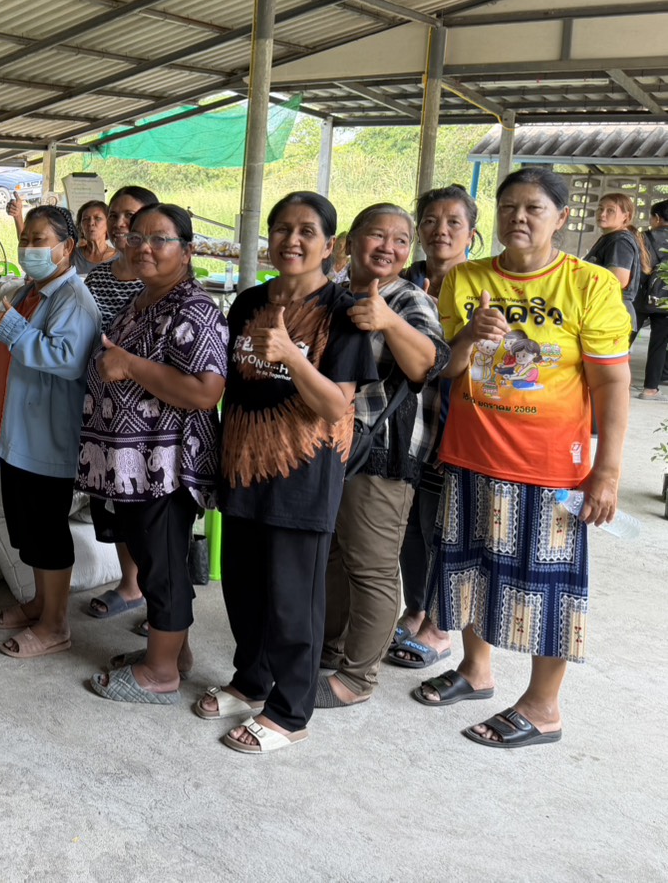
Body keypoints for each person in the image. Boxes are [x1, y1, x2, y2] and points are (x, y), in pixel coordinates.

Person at [413, 168, 631, 750]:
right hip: (471, 455)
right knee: (469, 571)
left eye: (534, 207)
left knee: (549, 586)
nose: (520, 217)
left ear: (561, 218)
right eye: (509, 206)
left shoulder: (590, 286)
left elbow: (611, 386)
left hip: (552, 467)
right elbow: (449, 370)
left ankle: (543, 707)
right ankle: (475, 670)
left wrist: (606, 472)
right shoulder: (466, 279)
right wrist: (468, 339)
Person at [198, 191, 376, 754]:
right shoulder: (248, 301)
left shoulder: (342, 312)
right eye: (281, 229)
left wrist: (293, 357)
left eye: (306, 231)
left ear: (330, 244)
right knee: (244, 589)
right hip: (244, 464)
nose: (291, 241)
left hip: (303, 475)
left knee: (293, 600)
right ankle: (251, 682)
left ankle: (291, 711)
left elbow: (335, 407)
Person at [81, 204, 226, 699]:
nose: (145, 247)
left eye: (160, 239)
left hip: (165, 466)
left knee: (163, 567)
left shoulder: (193, 309)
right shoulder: (142, 300)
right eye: (137, 237)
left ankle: (160, 675)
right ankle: (170, 654)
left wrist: (128, 366)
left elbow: (206, 391)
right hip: (131, 467)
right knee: (151, 559)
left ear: (186, 252)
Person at [318, 204, 448, 708]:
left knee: (370, 566)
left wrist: (389, 321)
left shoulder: (409, 299)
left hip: (381, 454)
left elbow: (427, 365)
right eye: (378, 235)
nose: (388, 247)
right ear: (350, 241)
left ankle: (357, 679)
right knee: (331, 556)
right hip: (325, 448)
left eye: (400, 240)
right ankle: (330, 649)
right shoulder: (330, 293)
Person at [0, 206, 101, 658]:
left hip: (47, 440)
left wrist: (11, 327)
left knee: (48, 534)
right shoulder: (29, 292)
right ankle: (38, 604)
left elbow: (67, 359)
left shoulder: (74, 299)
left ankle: (55, 626)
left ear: (67, 248)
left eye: (39, 239)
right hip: (15, 437)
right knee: (28, 532)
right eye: (25, 238)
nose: (29, 247)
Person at [393, 184, 480, 667]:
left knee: (440, 526)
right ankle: (417, 607)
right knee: (408, 524)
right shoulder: (403, 280)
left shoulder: (483, 287)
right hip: (408, 426)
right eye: (430, 221)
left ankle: (440, 624)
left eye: (452, 222)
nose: (440, 230)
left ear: (471, 232)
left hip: (459, 426)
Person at [82, 185, 161, 622]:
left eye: (128, 215)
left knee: (152, 514)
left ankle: (162, 601)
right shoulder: (98, 278)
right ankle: (131, 587)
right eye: (113, 215)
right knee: (113, 507)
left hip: (150, 418)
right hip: (103, 414)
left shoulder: (160, 282)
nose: (117, 223)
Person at [584, 192, 651, 332]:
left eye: (610, 210)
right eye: (600, 209)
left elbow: (618, 280)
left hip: (612, 315)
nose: (602, 214)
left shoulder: (620, 241)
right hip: (607, 313)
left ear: (625, 216)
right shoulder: (611, 237)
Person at [637, 200, 668, 398]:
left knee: (625, 337)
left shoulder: (644, 237)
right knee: (659, 343)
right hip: (666, 299)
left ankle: (613, 378)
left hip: (642, 296)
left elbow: (639, 267)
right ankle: (650, 388)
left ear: (657, 218)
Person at [71, 200, 118, 275]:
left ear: (108, 224)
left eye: (98, 218)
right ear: (81, 227)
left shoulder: (120, 259)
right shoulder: (72, 256)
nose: (90, 223)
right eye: (85, 219)